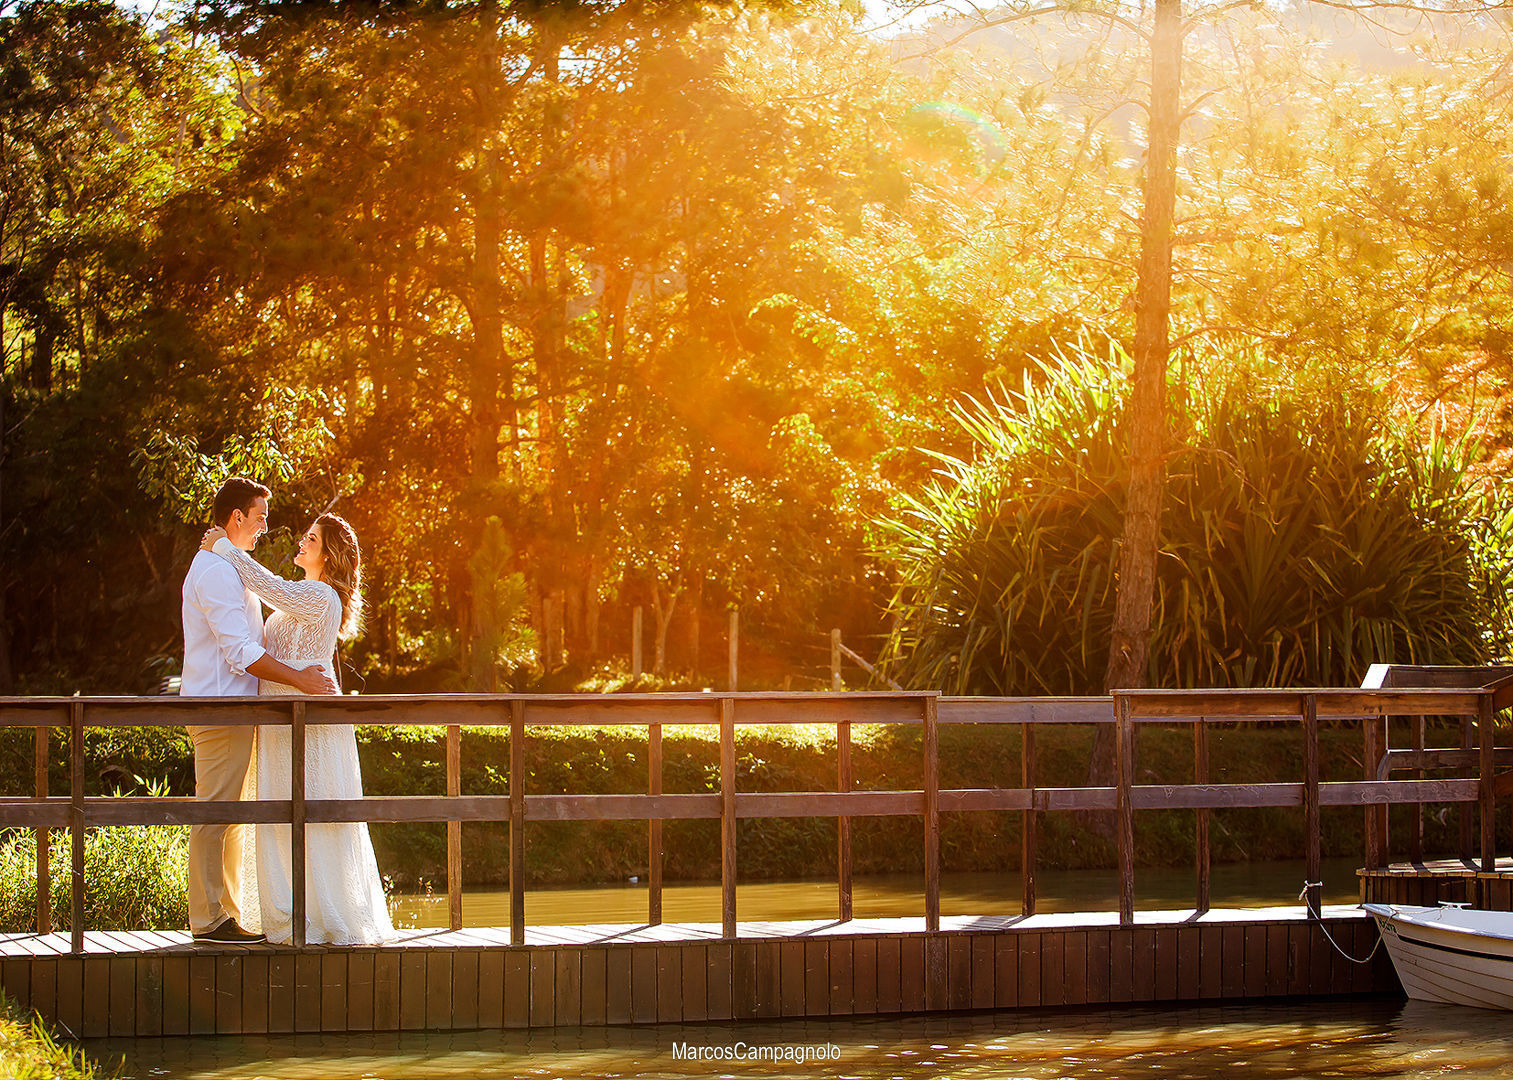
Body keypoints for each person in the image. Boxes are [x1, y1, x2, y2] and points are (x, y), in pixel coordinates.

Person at [200, 511, 395, 946]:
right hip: (277, 722)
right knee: (279, 813)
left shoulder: (321, 596)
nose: (302, 542)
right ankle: (287, 912)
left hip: (312, 727)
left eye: (312, 539)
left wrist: (224, 547)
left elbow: (271, 587)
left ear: (329, 554)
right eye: (306, 536)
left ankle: (324, 916)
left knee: (313, 815)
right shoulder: (305, 594)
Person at [181, 477, 338, 945]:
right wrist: (300, 679)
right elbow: (239, 651)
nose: (265, 528)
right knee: (216, 811)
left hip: (235, 709)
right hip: (219, 709)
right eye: (260, 518)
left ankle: (223, 914)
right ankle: (209, 920)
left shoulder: (229, 567)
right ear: (236, 519)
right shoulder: (213, 571)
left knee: (228, 813)